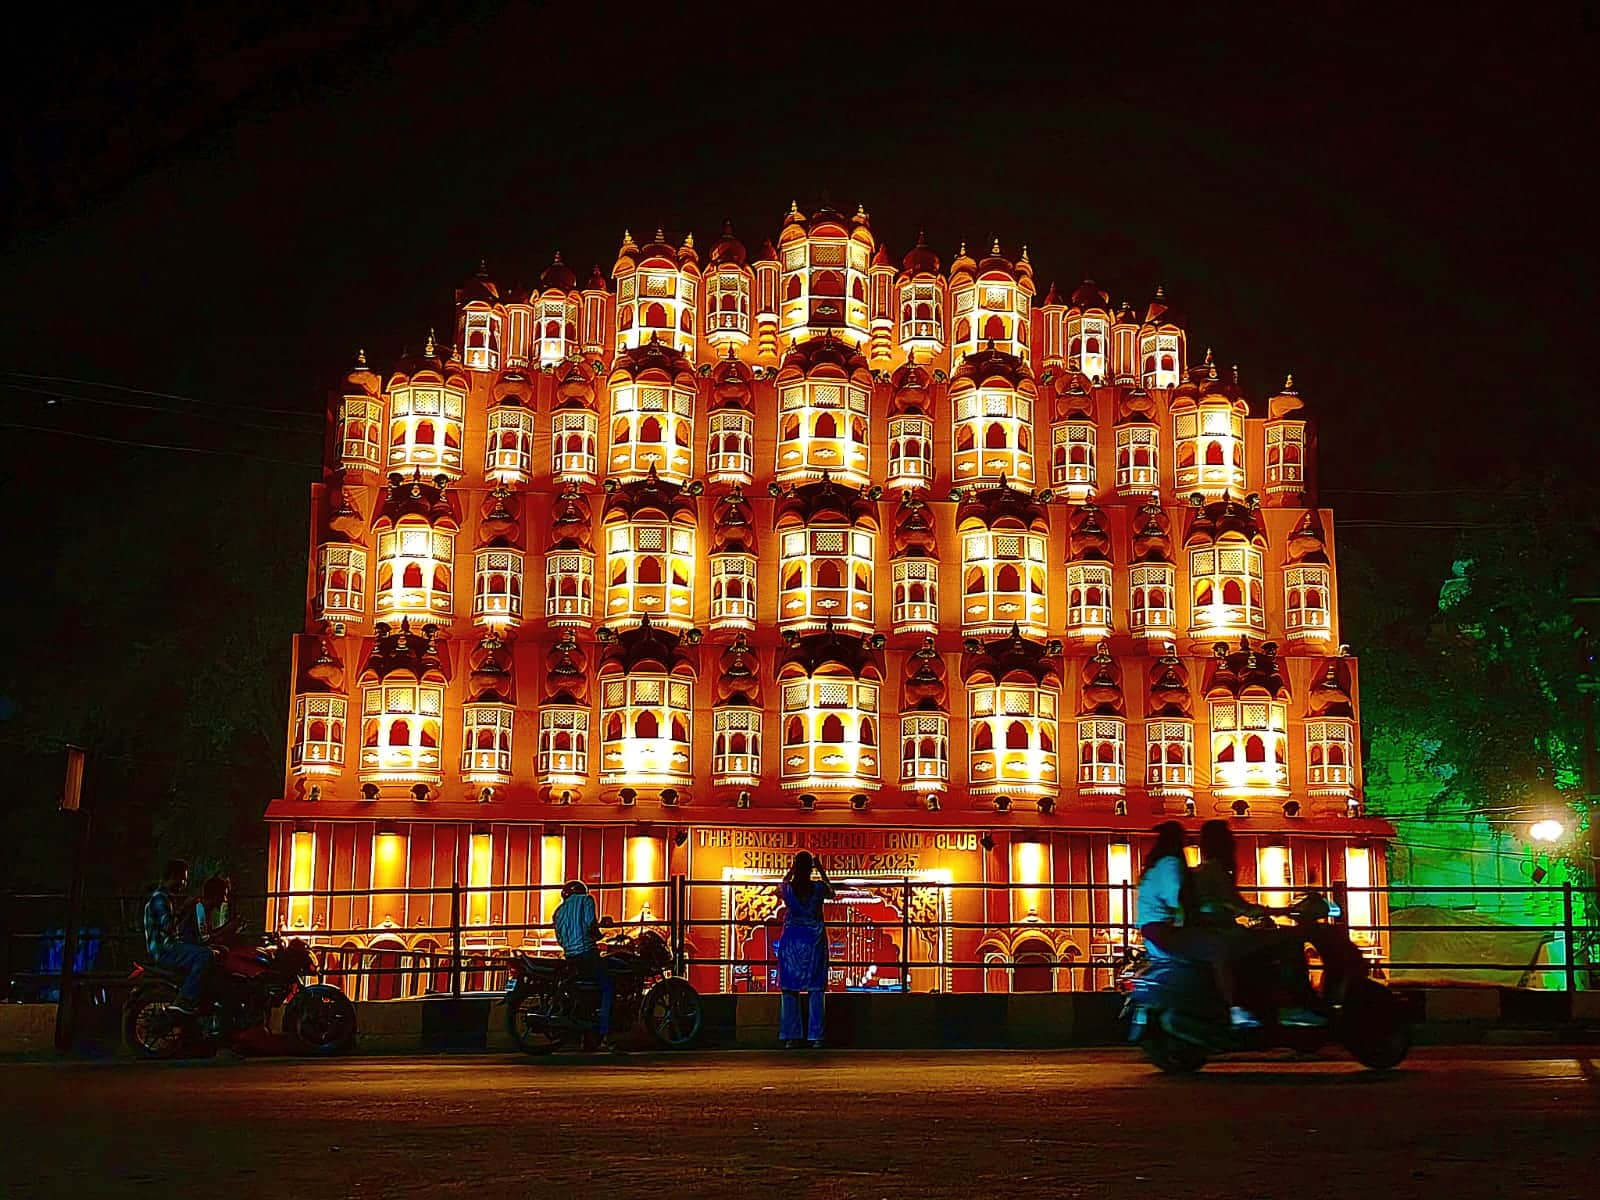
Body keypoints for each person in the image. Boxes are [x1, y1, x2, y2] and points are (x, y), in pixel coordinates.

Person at [1191, 820, 1326, 1028]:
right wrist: (1277, 910)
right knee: (1289, 941)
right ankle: (1291, 1005)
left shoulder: (1204, 870)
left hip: (1217, 931)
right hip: (1225, 932)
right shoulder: (1215, 870)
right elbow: (1238, 906)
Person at [1134, 821, 1258, 1029]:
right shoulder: (1170, 864)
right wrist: (1195, 917)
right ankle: (1235, 1010)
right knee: (1217, 949)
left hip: (1156, 929)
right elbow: (1176, 897)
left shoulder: (1156, 865)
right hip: (1164, 929)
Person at [776, 851, 834, 1048]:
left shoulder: (788, 889)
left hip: (792, 941)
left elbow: (781, 885)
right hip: (814, 941)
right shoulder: (817, 888)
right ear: (810, 868)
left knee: (789, 990)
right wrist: (821, 869)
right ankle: (816, 1036)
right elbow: (831, 892)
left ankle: (790, 1037)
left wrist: (792, 870)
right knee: (816, 989)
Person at [142, 858, 215, 1016]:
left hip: (169, 947)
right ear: (174, 876)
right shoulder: (159, 898)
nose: (184, 884)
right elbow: (168, 927)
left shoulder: (166, 898)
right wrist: (184, 909)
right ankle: (186, 1000)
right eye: (183, 879)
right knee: (205, 955)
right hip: (164, 951)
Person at [552, 880, 617, 1050]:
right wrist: (599, 936)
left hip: (570, 957)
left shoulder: (558, 912)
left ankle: (587, 1034)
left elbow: (559, 939)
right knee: (608, 986)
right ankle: (605, 1033)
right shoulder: (586, 900)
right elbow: (590, 926)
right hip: (587, 954)